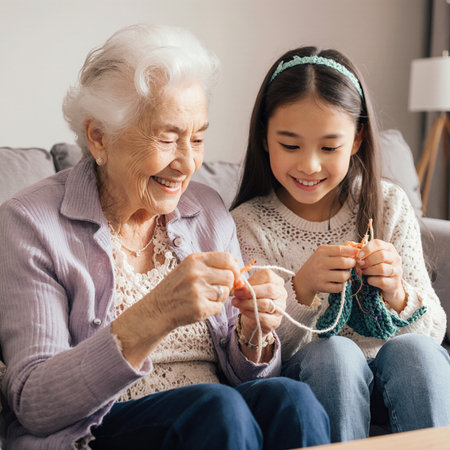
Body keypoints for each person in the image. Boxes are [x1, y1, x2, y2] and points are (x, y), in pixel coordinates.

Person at [0, 27, 331, 450]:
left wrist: (253, 331)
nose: (188, 163)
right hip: (102, 427)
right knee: (217, 408)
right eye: (168, 137)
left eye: (197, 138)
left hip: (214, 416)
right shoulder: (30, 222)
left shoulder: (207, 210)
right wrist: (155, 313)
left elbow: (244, 375)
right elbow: (35, 402)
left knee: (292, 398)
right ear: (99, 136)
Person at [231, 46, 450, 442]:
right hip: (317, 378)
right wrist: (300, 288)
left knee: (415, 351)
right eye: (291, 145)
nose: (310, 165)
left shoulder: (387, 204)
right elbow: (254, 353)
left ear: (356, 139)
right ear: (265, 137)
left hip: (396, 371)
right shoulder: (250, 224)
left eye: (329, 147)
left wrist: (398, 294)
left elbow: (433, 331)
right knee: (335, 353)